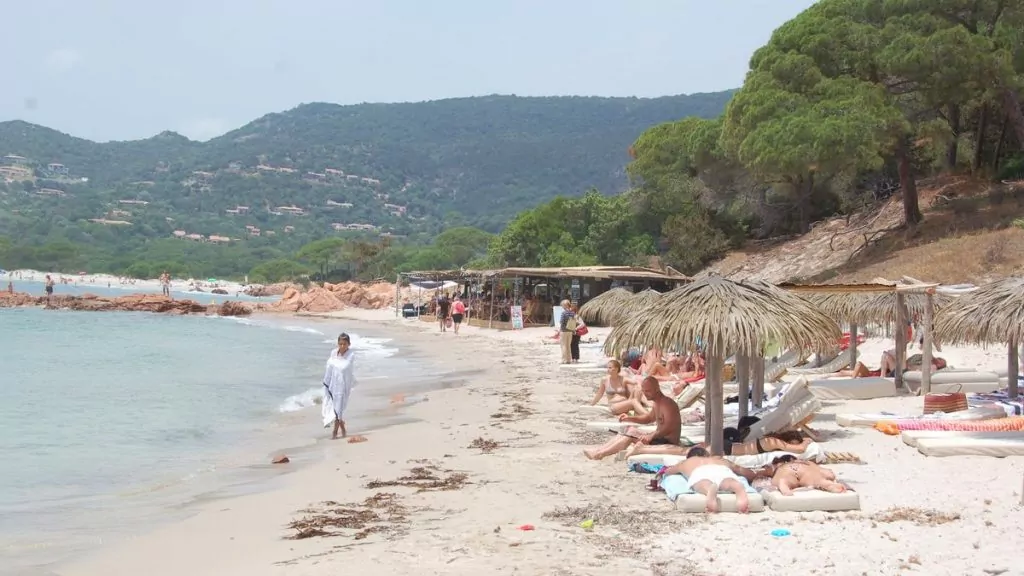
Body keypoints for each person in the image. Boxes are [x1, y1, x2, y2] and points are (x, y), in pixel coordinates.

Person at [583, 377, 681, 460]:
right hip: (659, 438)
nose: (645, 394)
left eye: (648, 391)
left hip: (667, 442)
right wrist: (629, 418)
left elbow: (669, 427)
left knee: (629, 436)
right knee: (629, 429)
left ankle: (599, 455)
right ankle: (599, 450)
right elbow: (648, 418)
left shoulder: (667, 404)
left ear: (657, 389)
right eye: (644, 391)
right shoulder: (657, 403)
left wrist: (651, 435)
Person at [658, 446, 757, 513]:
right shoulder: (719, 460)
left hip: (700, 473)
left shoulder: (686, 462)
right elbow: (740, 469)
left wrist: (662, 473)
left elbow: (669, 471)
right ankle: (737, 487)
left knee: (702, 482)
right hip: (722, 470)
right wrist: (754, 475)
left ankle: (709, 490)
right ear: (707, 455)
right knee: (728, 481)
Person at [322, 333, 357, 439]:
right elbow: (329, 367)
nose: (342, 346)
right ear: (338, 344)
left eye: (344, 344)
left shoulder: (351, 355)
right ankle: (342, 429)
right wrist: (326, 381)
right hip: (333, 383)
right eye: (340, 344)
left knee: (339, 407)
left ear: (349, 344)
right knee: (335, 407)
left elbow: (344, 367)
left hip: (344, 384)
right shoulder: (333, 353)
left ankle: (334, 433)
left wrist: (334, 363)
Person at [759, 454, 847, 494]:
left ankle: (783, 484)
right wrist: (827, 474)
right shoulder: (806, 463)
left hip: (784, 472)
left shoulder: (779, 469)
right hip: (803, 470)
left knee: (782, 479)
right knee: (816, 479)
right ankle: (826, 484)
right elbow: (829, 474)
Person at [558, 299, 577, 364]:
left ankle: (564, 359)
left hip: (563, 330)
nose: (562, 307)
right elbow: (574, 321)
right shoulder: (572, 313)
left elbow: (561, 322)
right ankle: (569, 359)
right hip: (570, 331)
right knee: (568, 345)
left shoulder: (564, 313)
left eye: (562, 305)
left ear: (565, 305)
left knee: (563, 345)